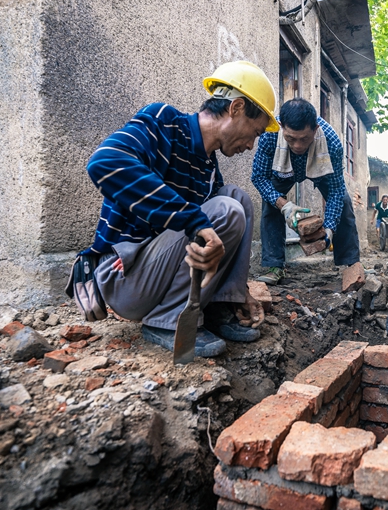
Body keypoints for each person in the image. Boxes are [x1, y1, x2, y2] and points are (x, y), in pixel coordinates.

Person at [70, 61, 278, 357]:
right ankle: (168, 321)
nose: (251, 145)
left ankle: (220, 305)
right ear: (236, 108)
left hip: (157, 276)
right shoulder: (163, 122)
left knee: (238, 199)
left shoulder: (208, 168)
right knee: (227, 209)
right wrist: (193, 220)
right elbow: (104, 161)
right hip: (125, 276)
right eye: (255, 133)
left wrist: (239, 291)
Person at [251, 98, 360, 285]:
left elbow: (335, 190)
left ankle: (351, 264)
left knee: (344, 200)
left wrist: (329, 227)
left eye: (304, 139)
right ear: (281, 127)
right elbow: (259, 177)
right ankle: (274, 265)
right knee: (270, 202)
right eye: (291, 138)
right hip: (282, 171)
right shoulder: (270, 135)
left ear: (315, 129)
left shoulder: (332, 143)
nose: (298, 146)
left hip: (320, 169)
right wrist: (283, 205)